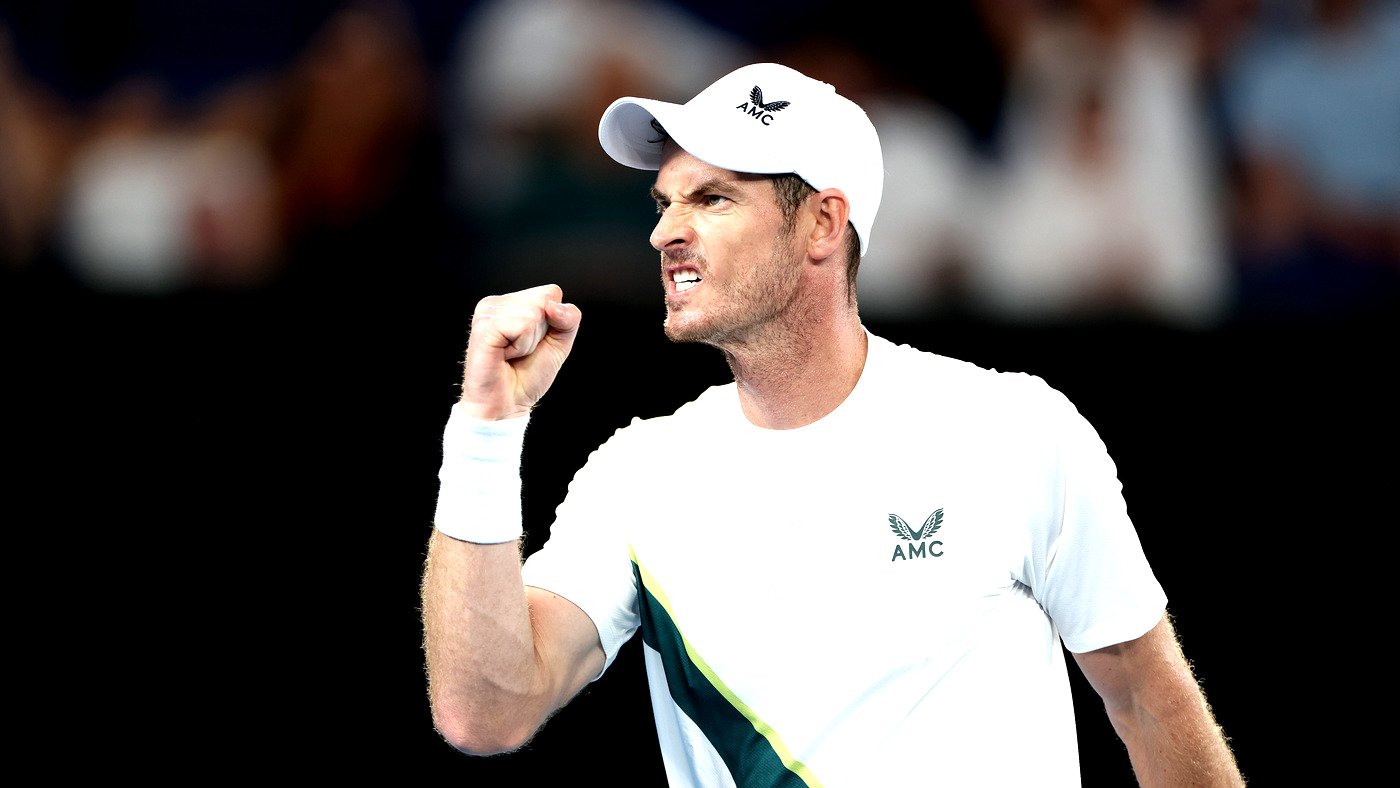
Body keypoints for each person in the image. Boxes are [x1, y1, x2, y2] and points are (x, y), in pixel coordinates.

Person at [420, 62, 1246, 786]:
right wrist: (485, 430)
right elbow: (484, 712)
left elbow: (1147, 698)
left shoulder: (1013, 430)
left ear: (822, 223)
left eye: (712, 198)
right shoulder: (637, 477)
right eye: (664, 202)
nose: (665, 230)